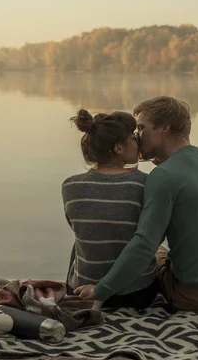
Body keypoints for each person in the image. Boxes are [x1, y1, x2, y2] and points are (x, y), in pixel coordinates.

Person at [74, 96, 198, 311]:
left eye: (142, 128)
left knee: (152, 252)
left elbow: (144, 247)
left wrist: (100, 291)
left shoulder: (162, 176)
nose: (138, 136)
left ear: (164, 127)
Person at [62, 108, 158, 310]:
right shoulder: (144, 184)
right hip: (135, 295)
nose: (138, 142)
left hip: (80, 292)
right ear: (119, 149)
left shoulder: (70, 186)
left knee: (84, 237)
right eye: (133, 137)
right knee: (158, 249)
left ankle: (76, 283)